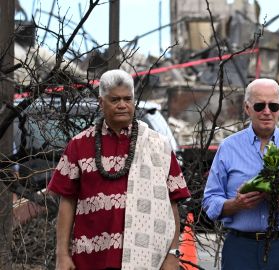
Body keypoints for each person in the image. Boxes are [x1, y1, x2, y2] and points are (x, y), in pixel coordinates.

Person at [48, 69, 190, 270]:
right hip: (90, 260)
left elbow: (172, 203)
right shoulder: (79, 145)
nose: (122, 105)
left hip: (148, 260)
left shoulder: (159, 145)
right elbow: (67, 200)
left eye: (127, 99)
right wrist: (62, 254)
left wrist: (173, 253)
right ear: (101, 103)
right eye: (115, 100)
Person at [202, 78, 279, 270]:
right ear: (247, 108)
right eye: (259, 106)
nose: (267, 112)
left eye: (273, 106)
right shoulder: (229, 147)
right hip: (240, 247)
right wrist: (235, 204)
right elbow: (209, 199)